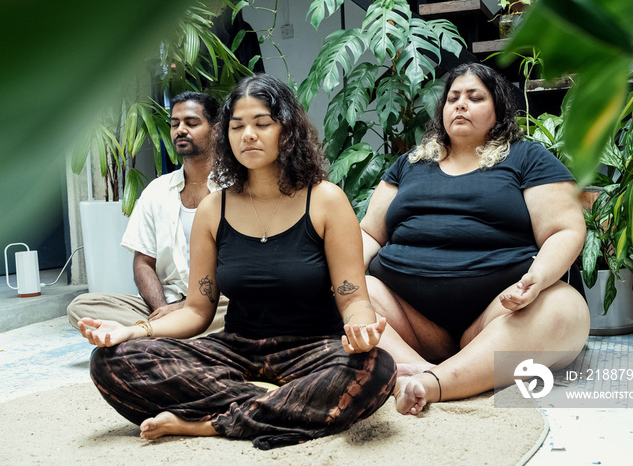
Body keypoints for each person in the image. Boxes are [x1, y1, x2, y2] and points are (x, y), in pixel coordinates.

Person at [77, 73, 397, 450]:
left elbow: (352, 297)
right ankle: (279, 403)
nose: (248, 134)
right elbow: (197, 310)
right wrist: (134, 332)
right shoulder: (214, 207)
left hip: (312, 350)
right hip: (236, 350)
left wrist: (360, 329)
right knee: (110, 361)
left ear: (287, 130)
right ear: (224, 136)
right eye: (237, 126)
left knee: (375, 368)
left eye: (262, 123)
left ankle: (207, 423)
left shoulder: (326, 200)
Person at [360, 63, 590, 415]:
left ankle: (434, 383)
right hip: (408, 318)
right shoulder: (409, 164)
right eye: (453, 98)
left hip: (499, 314)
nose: (460, 104)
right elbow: (369, 234)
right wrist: (338, 281)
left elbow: (565, 229)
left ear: (497, 109)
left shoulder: (527, 158)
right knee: (345, 291)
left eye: (474, 97)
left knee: (564, 310)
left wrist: (537, 279)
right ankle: (420, 369)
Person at [68, 92, 227, 333]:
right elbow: (143, 263)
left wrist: (187, 308)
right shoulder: (157, 190)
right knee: (82, 306)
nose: (180, 130)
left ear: (216, 130)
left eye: (191, 123)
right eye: (175, 124)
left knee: (246, 306)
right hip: (165, 303)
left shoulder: (234, 188)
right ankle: (170, 333)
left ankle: (151, 335)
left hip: (218, 302)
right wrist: (164, 309)